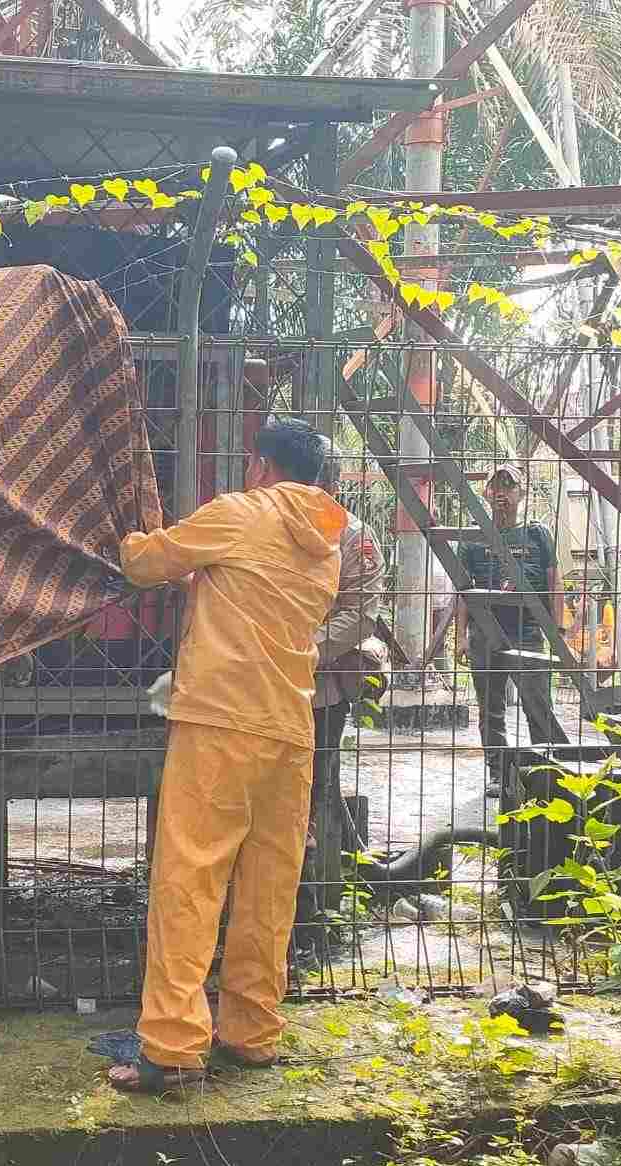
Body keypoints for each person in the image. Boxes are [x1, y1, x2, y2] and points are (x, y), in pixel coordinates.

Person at [106, 417, 346, 1095]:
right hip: (291, 728)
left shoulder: (237, 515)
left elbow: (146, 562)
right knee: (269, 887)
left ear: (261, 467)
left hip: (219, 721)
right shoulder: (326, 543)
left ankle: (175, 1048)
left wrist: (128, 533)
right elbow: (255, 594)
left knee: (189, 880)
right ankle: (252, 1032)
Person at [295, 445, 387, 962]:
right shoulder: (255, 521)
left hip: (319, 689)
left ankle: (309, 917)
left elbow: (361, 614)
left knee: (311, 794)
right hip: (259, 686)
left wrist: (300, 651)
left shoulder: (350, 534)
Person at [453, 463, 567, 799]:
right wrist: (460, 635)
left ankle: (549, 766)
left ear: (522, 493)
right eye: (496, 486)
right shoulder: (474, 537)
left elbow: (554, 581)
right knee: (491, 709)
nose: (502, 492)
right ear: (487, 493)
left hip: (528, 631)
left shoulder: (537, 534)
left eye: (509, 486)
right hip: (484, 633)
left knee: (537, 703)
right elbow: (463, 590)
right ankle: (497, 773)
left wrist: (558, 628)